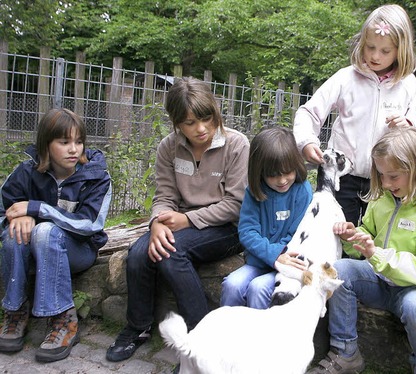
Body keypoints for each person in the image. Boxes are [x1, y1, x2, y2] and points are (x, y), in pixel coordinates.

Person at [106, 77, 249, 362]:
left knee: (171, 254)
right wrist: (157, 221)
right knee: (138, 254)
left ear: (215, 110)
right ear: (176, 123)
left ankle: (203, 340)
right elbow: (164, 196)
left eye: (207, 118)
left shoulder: (237, 144)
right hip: (180, 222)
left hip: (226, 228)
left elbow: (235, 204)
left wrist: (187, 219)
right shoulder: (168, 147)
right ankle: (138, 327)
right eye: (190, 122)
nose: (201, 128)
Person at [308, 127, 416, 374]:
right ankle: (345, 352)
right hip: (379, 281)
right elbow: (368, 235)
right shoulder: (383, 198)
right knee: (340, 271)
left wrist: (376, 254)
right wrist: (353, 236)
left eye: (393, 176)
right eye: (381, 175)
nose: (385, 183)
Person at [294, 4, 416, 227]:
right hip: (342, 176)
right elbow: (309, 112)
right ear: (361, 43)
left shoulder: (407, 84)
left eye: (385, 51)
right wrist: (306, 141)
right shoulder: (346, 78)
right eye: (370, 47)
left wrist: (408, 124)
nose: (375, 56)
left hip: (385, 179)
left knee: (377, 236)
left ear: (400, 50)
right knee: (339, 232)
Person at [0, 108, 112, 362]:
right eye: (64, 142)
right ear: (46, 145)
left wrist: (38, 210)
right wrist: (19, 217)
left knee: (46, 231)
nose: (73, 149)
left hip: (79, 251)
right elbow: (2, 210)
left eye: (79, 141)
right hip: (32, 251)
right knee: (12, 233)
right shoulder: (26, 173)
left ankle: (63, 320)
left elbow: (91, 224)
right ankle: (15, 311)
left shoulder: (96, 176)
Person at [219, 127, 313, 309]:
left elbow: (298, 233)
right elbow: (247, 231)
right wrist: (274, 254)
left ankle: (262, 336)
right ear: (260, 171)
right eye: (273, 175)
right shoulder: (254, 192)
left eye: (288, 172)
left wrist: (282, 256)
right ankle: (229, 333)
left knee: (258, 288)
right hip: (259, 260)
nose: (282, 180)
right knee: (232, 285)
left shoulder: (302, 191)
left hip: (290, 263)